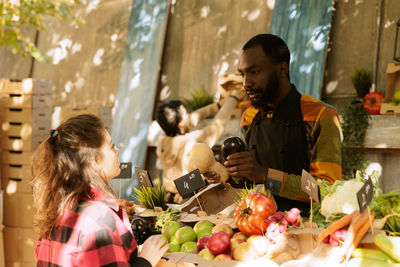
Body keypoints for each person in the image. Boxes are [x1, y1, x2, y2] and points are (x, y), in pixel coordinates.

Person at [205, 34, 343, 214]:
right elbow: (248, 180)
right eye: (242, 74)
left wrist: (265, 175)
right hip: (254, 224)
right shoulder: (250, 116)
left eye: (254, 72)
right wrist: (224, 175)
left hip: (303, 228)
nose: (246, 83)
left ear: (282, 69)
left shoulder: (321, 115)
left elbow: (324, 189)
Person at [32, 114, 168, 267]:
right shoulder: (99, 219)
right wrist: (146, 260)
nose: (117, 150)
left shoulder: (57, 209)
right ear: (94, 161)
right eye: (111, 146)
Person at [155, 79, 245, 203]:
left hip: (168, 196)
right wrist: (233, 98)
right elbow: (217, 125)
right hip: (187, 199)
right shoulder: (190, 141)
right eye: (186, 114)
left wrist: (218, 105)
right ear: (181, 124)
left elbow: (193, 118)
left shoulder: (163, 140)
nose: (189, 115)